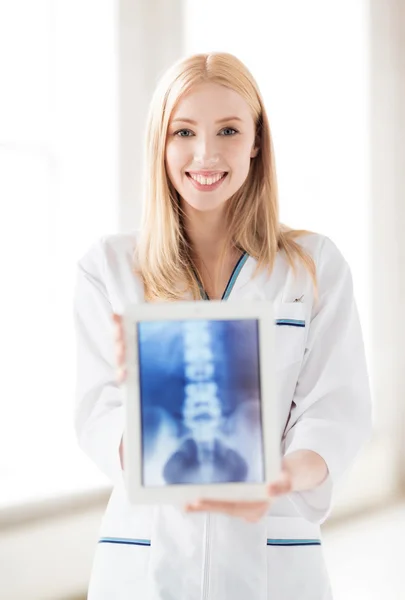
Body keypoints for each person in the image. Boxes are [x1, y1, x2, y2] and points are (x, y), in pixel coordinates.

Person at [73, 52, 372, 600]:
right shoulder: (110, 269)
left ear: (257, 141)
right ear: (159, 144)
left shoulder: (312, 265)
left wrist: (284, 477)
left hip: (275, 553)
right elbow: (98, 414)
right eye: (183, 131)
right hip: (146, 555)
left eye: (229, 130)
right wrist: (146, 407)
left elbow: (334, 409)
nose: (205, 153)